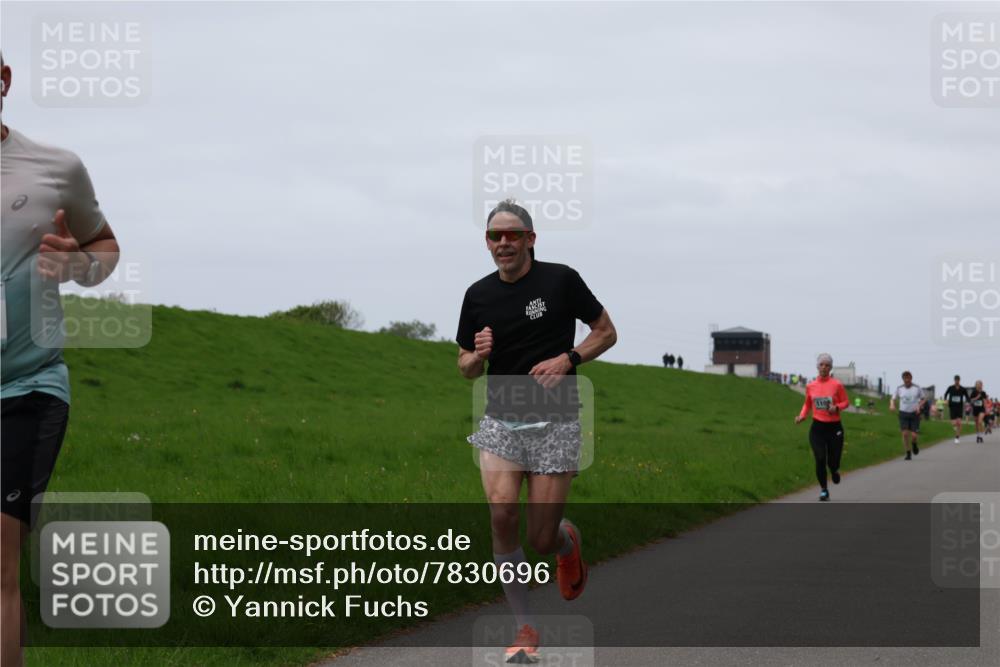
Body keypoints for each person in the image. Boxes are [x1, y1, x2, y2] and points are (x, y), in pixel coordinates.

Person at [456, 198, 617, 663]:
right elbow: (464, 367)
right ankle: (525, 627)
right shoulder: (477, 295)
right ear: (487, 243)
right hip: (501, 418)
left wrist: (569, 359)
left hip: (557, 419)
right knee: (502, 513)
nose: (503, 243)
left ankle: (567, 543)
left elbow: (605, 331)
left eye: (512, 235)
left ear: (530, 239)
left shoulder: (561, 280)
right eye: (494, 236)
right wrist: (477, 356)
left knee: (541, 539)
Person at [1, 54, 121, 667]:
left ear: (3, 80)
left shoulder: (55, 168)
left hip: (24, 388)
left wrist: (76, 263)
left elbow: (104, 248)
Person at [795, 353, 849, 501]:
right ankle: (824, 490)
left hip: (834, 428)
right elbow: (807, 404)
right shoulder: (811, 386)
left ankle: (834, 470)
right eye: (821, 365)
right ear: (817, 367)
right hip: (817, 428)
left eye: (827, 365)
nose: (824, 367)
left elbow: (846, 402)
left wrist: (836, 407)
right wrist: (802, 416)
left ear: (830, 368)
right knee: (820, 459)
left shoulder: (837, 385)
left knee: (833, 461)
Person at [890, 371, 926, 460]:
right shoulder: (899, 388)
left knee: (914, 436)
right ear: (903, 379)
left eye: (908, 378)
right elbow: (893, 398)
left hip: (915, 414)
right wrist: (892, 404)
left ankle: (914, 444)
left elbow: (924, 399)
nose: (907, 380)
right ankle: (908, 452)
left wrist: (919, 406)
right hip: (903, 413)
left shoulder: (917, 388)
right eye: (905, 378)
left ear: (911, 378)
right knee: (905, 434)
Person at [943, 375, 969, 444]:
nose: (957, 381)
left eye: (958, 380)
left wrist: (968, 402)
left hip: (959, 407)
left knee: (959, 423)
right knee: (954, 423)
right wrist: (945, 400)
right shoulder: (950, 388)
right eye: (955, 380)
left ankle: (957, 437)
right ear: (954, 380)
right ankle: (956, 429)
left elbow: (967, 396)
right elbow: (946, 394)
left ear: (959, 380)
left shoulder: (963, 389)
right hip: (952, 406)